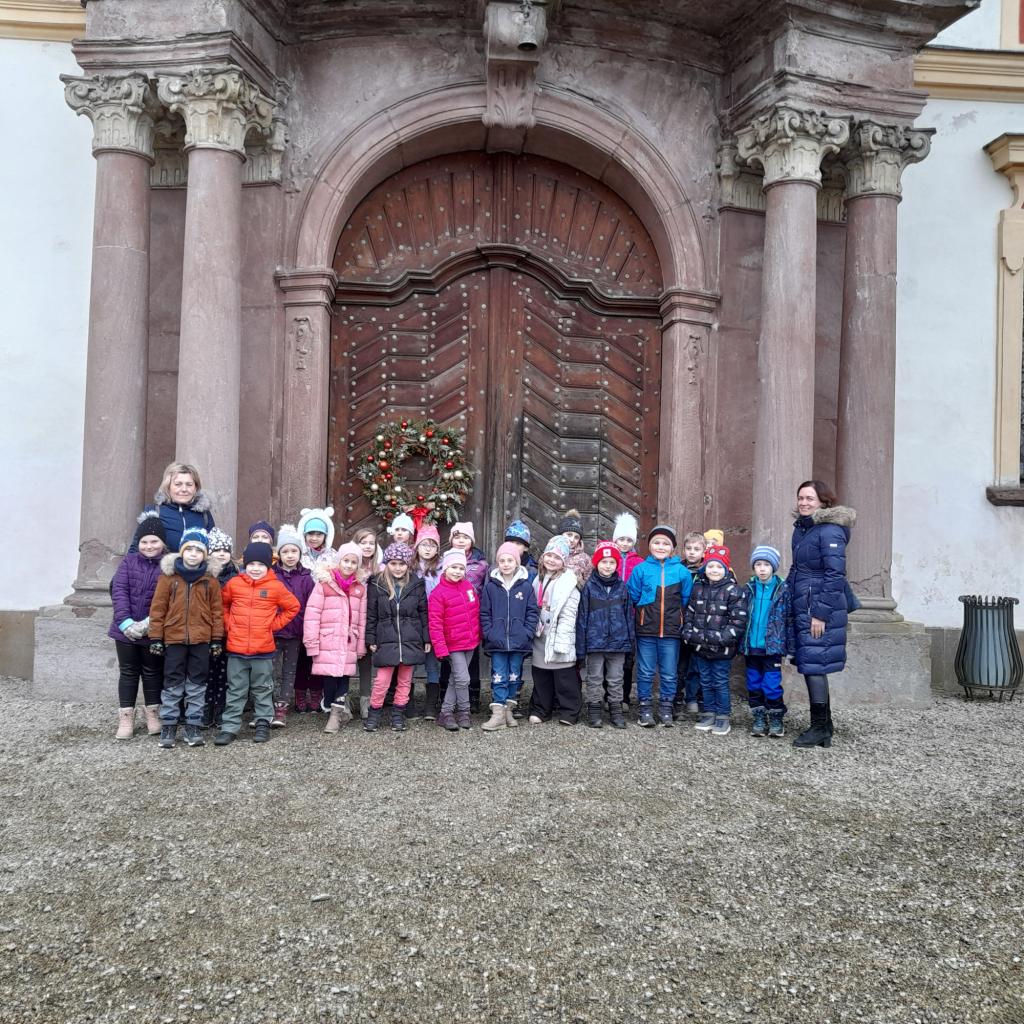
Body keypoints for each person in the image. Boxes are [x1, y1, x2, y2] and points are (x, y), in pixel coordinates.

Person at [788, 480, 856, 749]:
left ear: (823, 502)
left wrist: (820, 614)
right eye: (801, 498)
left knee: (814, 665)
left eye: (810, 498)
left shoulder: (830, 531)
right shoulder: (804, 529)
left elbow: (835, 575)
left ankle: (818, 728)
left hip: (817, 607)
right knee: (810, 662)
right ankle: (824, 725)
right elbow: (798, 569)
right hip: (804, 604)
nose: (804, 503)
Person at [215, 542, 299, 746]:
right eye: (251, 564)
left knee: (263, 688)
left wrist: (272, 626)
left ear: (268, 565)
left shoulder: (275, 586)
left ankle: (263, 723)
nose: (255, 568)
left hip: (263, 650)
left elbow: (293, 607)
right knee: (235, 689)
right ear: (245, 564)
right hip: (236, 650)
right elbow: (222, 605)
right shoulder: (234, 584)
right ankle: (229, 727)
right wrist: (229, 625)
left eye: (260, 564)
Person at [148, 527, 224, 750]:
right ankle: (169, 724)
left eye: (198, 550)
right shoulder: (169, 578)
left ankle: (193, 724)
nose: (193, 554)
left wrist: (216, 639)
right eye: (189, 549)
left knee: (197, 684)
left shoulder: (210, 581)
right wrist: (156, 637)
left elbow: (217, 612)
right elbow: (158, 609)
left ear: (204, 555)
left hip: (201, 639)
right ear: (181, 552)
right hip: (174, 638)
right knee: (172, 682)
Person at [626, 524, 692, 727]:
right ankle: (645, 708)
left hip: (671, 632)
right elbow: (632, 597)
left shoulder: (682, 572)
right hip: (646, 630)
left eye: (665, 543)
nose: (661, 547)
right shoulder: (641, 570)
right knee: (645, 671)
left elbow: (686, 600)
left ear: (672, 547)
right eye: (656, 542)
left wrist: (678, 620)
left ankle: (666, 708)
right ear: (649, 545)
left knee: (669, 673)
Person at [108, 515, 167, 740]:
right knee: (128, 672)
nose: (149, 546)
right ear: (138, 543)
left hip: (152, 630)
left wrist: (149, 624)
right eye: (144, 542)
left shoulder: (168, 566)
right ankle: (126, 717)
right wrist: (125, 622)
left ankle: (152, 714)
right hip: (124, 630)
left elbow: (168, 599)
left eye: (154, 541)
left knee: (152, 672)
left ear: (162, 542)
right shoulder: (128, 562)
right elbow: (119, 591)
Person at [682, 545, 748, 737]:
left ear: (726, 569)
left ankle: (723, 716)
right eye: (711, 566)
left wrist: (722, 638)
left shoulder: (734, 591)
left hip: (722, 649)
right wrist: (689, 634)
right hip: (700, 646)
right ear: (705, 568)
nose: (714, 570)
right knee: (705, 681)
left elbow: (738, 620)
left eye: (719, 567)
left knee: (719, 681)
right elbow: (690, 613)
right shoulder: (698, 588)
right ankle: (709, 713)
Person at [364, 542, 430, 732]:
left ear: (408, 564)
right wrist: (371, 639)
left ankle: (398, 714)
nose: (398, 568)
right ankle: (374, 713)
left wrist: (426, 638)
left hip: (411, 639)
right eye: (393, 563)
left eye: (402, 564)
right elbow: (371, 614)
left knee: (405, 681)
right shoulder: (377, 584)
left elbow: (423, 613)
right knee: (382, 681)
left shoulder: (416, 584)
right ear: (387, 563)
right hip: (385, 639)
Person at [304, 543, 367, 734]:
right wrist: (312, 643)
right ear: (339, 561)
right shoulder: (324, 584)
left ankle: (335, 714)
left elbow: (362, 620)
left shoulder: (359, 588)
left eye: (353, 562)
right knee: (330, 678)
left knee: (344, 676)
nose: (349, 565)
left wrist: (360, 646)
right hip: (328, 640)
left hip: (349, 641)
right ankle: (330, 704)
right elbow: (312, 614)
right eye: (346, 561)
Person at [479, 541, 539, 731]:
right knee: (498, 675)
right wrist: (489, 632)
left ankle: (508, 711)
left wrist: (527, 632)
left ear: (517, 563)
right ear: (498, 563)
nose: (506, 564)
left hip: (518, 641)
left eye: (510, 560)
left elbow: (532, 612)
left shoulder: (526, 587)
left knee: (514, 675)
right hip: (497, 641)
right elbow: (484, 613)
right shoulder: (491, 587)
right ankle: (498, 714)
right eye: (502, 561)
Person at [576, 541, 634, 730]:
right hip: (595, 643)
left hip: (618, 643)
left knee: (616, 678)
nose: (607, 566)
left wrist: (630, 644)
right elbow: (582, 618)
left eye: (611, 562)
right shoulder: (589, 587)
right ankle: (594, 711)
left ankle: (616, 711)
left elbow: (629, 617)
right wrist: (581, 648)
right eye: (603, 562)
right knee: (594, 678)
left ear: (617, 565)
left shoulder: (622, 587)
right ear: (596, 563)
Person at [529, 536, 581, 726]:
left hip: (559, 635)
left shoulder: (568, 583)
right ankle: (541, 709)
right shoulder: (538, 579)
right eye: (549, 555)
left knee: (564, 678)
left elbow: (569, 615)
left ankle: (569, 711)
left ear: (564, 561)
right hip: (541, 635)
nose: (552, 560)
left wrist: (562, 641)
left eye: (557, 558)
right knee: (541, 676)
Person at [740, 544, 791, 738]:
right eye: (758, 564)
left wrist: (789, 645)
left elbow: (789, 619)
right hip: (751, 646)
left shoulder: (782, 589)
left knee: (771, 685)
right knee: (753, 684)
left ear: (773, 567)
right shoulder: (748, 589)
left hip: (772, 647)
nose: (762, 569)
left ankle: (776, 718)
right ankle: (759, 718)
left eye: (766, 565)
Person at [428, 549, 481, 731]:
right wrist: (440, 648)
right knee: (463, 679)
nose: (457, 572)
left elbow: (475, 613)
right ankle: (464, 711)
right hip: (453, 644)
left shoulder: (468, 587)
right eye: (453, 567)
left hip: (470, 642)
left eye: (461, 568)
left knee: (455, 678)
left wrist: (478, 635)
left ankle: (446, 713)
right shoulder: (438, 593)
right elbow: (435, 624)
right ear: (445, 568)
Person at [272, 524, 314, 726]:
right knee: (270, 671)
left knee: (289, 671)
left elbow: (310, 605)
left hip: (296, 633)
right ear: (279, 554)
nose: (290, 555)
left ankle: (282, 707)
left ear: (300, 553)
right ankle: (267, 705)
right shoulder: (271, 575)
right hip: (273, 632)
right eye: (285, 551)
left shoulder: (306, 577)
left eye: (294, 551)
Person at [442, 522, 487, 711]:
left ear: (472, 541)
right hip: (451, 618)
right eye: (457, 537)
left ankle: (472, 696)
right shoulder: (444, 561)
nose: (461, 541)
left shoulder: (481, 564)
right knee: (450, 661)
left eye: (465, 537)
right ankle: (445, 698)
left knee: (472, 659)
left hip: (471, 618)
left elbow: (485, 589)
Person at [134, 461, 215, 554]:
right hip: (162, 563)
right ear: (168, 487)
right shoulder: (154, 512)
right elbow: (135, 549)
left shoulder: (204, 514)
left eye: (189, 484)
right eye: (178, 484)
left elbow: (213, 550)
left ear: (195, 488)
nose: (184, 489)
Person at [203, 527, 236, 728]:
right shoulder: (205, 575)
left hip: (229, 632)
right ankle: (207, 708)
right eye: (217, 550)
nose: (222, 554)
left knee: (225, 674)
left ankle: (221, 708)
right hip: (207, 632)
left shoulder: (236, 576)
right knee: (207, 672)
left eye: (226, 550)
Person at [612, 512, 643, 708]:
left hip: (630, 616)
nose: (624, 543)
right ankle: (609, 695)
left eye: (628, 540)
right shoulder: (608, 558)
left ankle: (624, 696)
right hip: (610, 615)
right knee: (609, 655)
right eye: (621, 539)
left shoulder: (639, 562)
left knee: (627, 658)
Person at [676, 530, 707, 720]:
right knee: (680, 665)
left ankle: (694, 698)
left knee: (697, 664)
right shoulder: (678, 569)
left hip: (701, 624)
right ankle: (677, 699)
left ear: (704, 551)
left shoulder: (709, 570)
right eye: (689, 548)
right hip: (680, 622)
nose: (692, 552)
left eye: (697, 549)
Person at [413, 524, 443, 718]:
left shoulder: (441, 569)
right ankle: (407, 702)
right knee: (410, 662)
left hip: (433, 621)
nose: (427, 549)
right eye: (424, 544)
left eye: (432, 545)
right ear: (417, 547)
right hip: (413, 622)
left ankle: (431, 704)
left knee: (432, 663)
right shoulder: (410, 568)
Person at [352, 526, 382, 717]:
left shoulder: (380, 569)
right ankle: (343, 699)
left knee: (366, 660)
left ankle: (365, 699)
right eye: (363, 543)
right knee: (348, 659)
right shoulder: (349, 564)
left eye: (371, 543)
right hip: (352, 617)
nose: (368, 546)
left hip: (371, 619)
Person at [559, 509, 592, 587]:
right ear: (561, 534)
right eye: (569, 535)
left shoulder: (585, 559)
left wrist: (579, 582)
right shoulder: (550, 553)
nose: (572, 540)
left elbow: (589, 586)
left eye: (576, 537)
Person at [298, 506, 336, 570]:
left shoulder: (333, 555)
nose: (314, 538)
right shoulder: (298, 554)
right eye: (310, 533)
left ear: (326, 536)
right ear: (304, 535)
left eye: (319, 535)